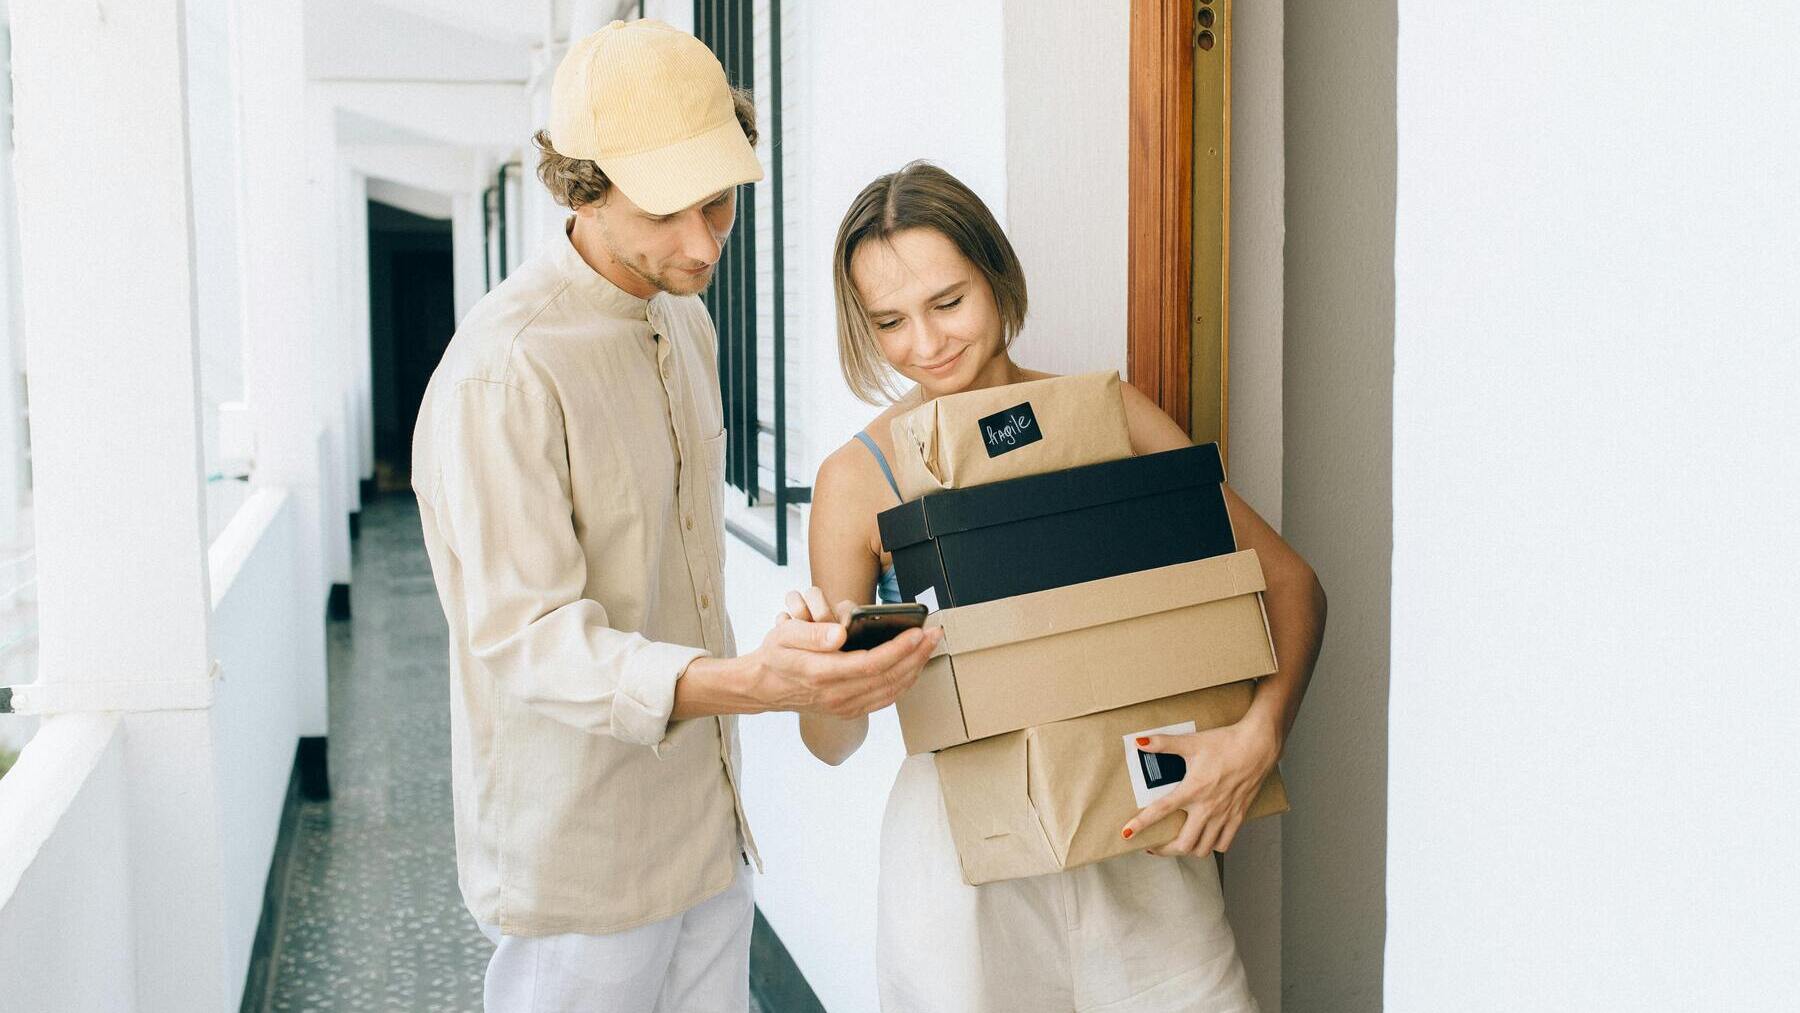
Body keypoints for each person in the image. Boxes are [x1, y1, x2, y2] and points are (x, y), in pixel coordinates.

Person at [411, 22, 937, 1012]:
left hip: (708, 828)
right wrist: (749, 681)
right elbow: (527, 640)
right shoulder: (503, 370)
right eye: (668, 208)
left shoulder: (684, 317)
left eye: (720, 202)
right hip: (582, 861)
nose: (704, 243)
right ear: (583, 186)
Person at [795, 161, 1328, 1012]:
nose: (925, 345)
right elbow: (829, 742)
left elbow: (1293, 584)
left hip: (1133, 826)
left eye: (948, 302)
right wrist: (827, 668)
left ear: (998, 276)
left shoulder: (1109, 417)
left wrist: (1260, 735)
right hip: (962, 864)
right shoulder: (855, 479)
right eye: (889, 321)